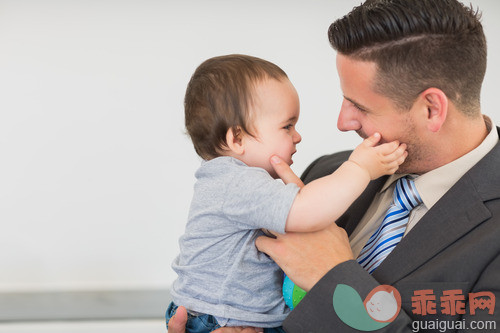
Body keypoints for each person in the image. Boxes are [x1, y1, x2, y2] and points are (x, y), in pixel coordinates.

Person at [169, 0, 500, 332]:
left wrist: (335, 278)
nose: (343, 122)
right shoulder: (325, 172)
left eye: (359, 106)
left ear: (431, 109)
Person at [167, 54, 407, 332]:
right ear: (237, 138)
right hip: (221, 321)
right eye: (287, 126)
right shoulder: (234, 182)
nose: (297, 136)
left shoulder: (233, 182)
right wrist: (360, 168)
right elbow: (307, 211)